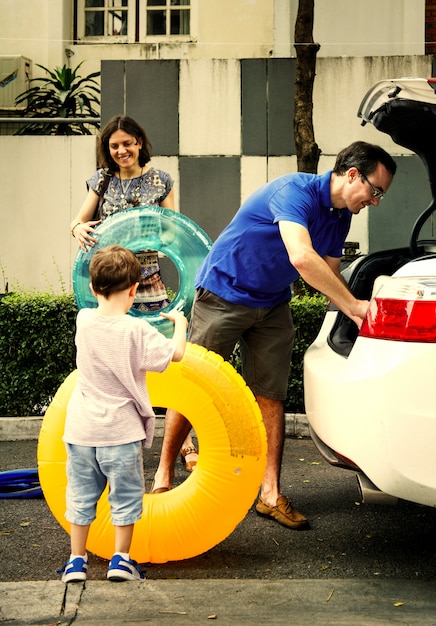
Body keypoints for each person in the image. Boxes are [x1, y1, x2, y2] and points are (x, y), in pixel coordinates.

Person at [151, 141, 397, 529]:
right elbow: (301, 257)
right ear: (352, 174)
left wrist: (357, 306)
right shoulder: (294, 192)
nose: (376, 201)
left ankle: (269, 494)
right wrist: (354, 307)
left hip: (272, 304)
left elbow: (328, 275)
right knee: (194, 385)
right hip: (224, 293)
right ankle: (163, 477)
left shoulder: (340, 216)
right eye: (375, 190)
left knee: (270, 394)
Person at [69, 115, 198, 478]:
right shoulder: (101, 180)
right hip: (110, 287)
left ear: (140, 142)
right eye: (114, 146)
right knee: (113, 360)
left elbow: (175, 228)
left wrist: (156, 231)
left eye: (127, 143)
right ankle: (110, 437)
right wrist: (78, 228)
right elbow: (77, 221)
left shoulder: (161, 180)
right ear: (107, 150)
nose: (121, 150)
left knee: (164, 363)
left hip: (148, 282)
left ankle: (184, 443)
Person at [57, 244, 188, 583]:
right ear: (134, 290)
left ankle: (76, 561)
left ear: (92, 288)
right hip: (121, 432)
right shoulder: (137, 332)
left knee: (82, 496)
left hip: (82, 431)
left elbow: (99, 318)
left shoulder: (83, 320)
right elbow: (176, 354)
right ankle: (121, 560)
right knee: (125, 497)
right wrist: (180, 323)